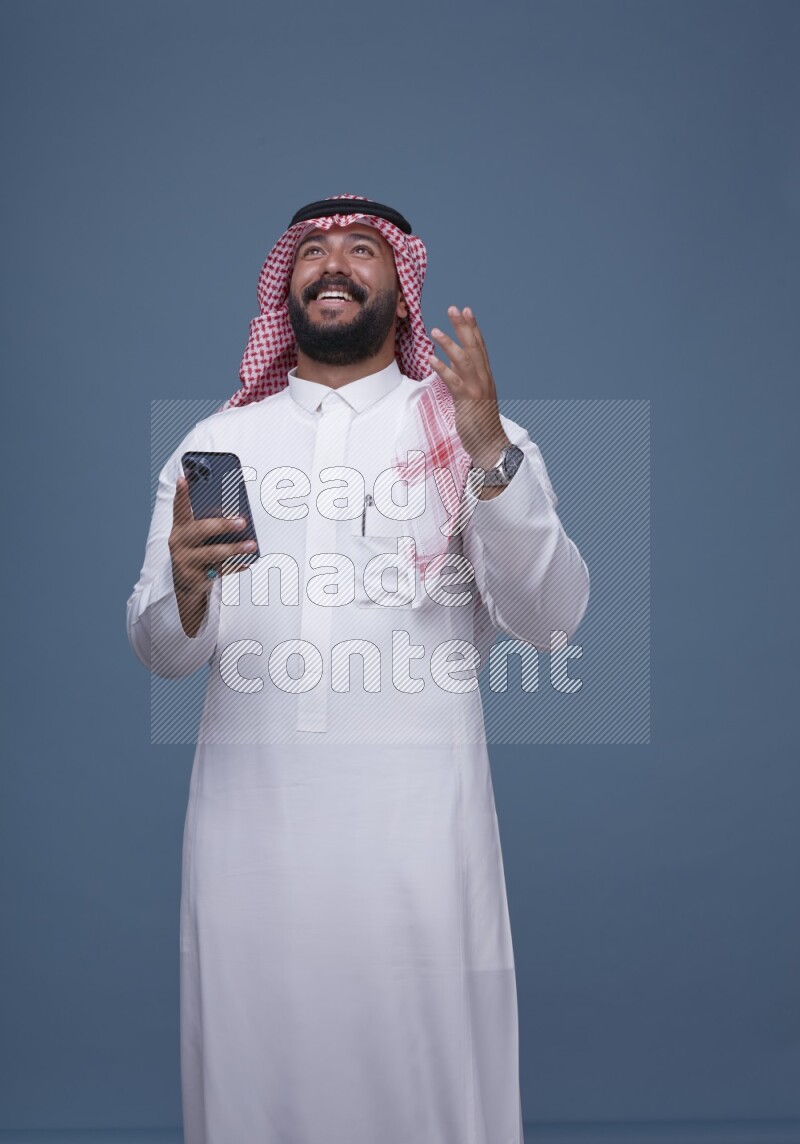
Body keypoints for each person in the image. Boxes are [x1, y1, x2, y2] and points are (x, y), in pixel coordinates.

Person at [126, 193, 590, 1144]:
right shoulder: (219, 449)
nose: (333, 264)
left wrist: (492, 454)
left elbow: (553, 619)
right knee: (258, 1083)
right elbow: (164, 655)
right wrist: (185, 590)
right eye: (314, 250)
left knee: (422, 1088)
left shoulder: (468, 432)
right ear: (283, 282)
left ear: (403, 286)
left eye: (363, 248)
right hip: (250, 843)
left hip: (419, 843)